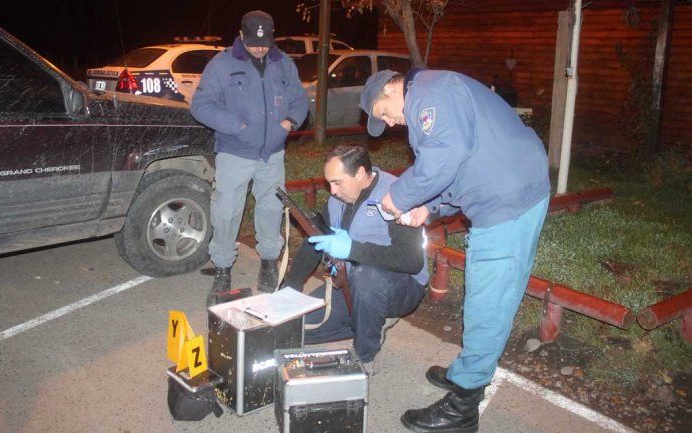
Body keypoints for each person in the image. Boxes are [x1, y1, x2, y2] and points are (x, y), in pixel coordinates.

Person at [359, 69, 550, 433]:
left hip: (506, 200)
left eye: (384, 113)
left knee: (487, 305)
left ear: (390, 89)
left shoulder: (431, 93)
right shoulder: (432, 97)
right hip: (506, 188)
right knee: (484, 296)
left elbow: (443, 157)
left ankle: (463, 407)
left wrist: (397, 198)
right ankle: (466, 372)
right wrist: (428, 208)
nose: (391, 123)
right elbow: (454, 169)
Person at [191, 10, 308, 305]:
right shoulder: (222, 64)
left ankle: (268, 262)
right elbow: (201, 105)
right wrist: (238, 128)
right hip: (235, 152)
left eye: (265, 44)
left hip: (273, 153)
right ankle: (222, 268)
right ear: (241, 35)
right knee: (227, 211)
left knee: (271, 208)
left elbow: (299, 100)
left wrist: (289, 123)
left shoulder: (284, 63)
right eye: (254, 43)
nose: (259, 49)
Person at [281, 145, 428, 375]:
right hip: (350, 283)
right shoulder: (337, 199)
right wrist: (290, 288)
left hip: (400, 286)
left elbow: (412, 260)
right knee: (291, 328)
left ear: (360, 173)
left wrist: (352, 249)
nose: (332, 190)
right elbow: (316, 241)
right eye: (329, 183)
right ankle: (369, 321)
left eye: (337, 182)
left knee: (366, 277)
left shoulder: (397, 196)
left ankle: (365, 354)